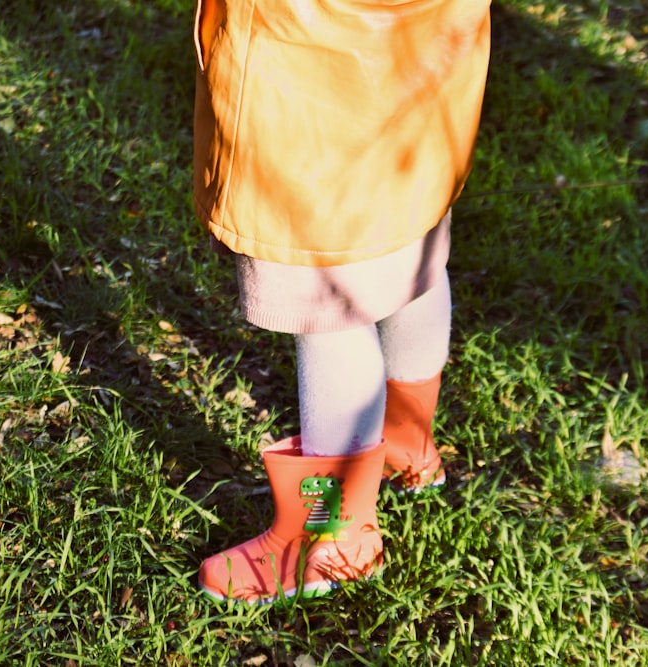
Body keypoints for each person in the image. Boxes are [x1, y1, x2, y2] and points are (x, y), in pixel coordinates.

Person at [193, 0, 492, 604]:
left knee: (322, 298)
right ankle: (409, 443)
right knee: (410, 241)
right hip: (425, 57)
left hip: (310, 70)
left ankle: (330, 540)